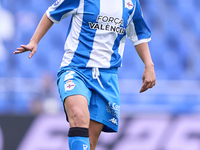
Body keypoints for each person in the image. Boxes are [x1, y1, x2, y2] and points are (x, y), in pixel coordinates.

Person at [14, 0, 156, 149]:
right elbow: (52, 13)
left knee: (91, 139)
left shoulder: (131, 3)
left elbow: (139, 33)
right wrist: (34, 41)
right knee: (78, 115)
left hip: (106, 77)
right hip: (76, 70)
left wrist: (149, 65)